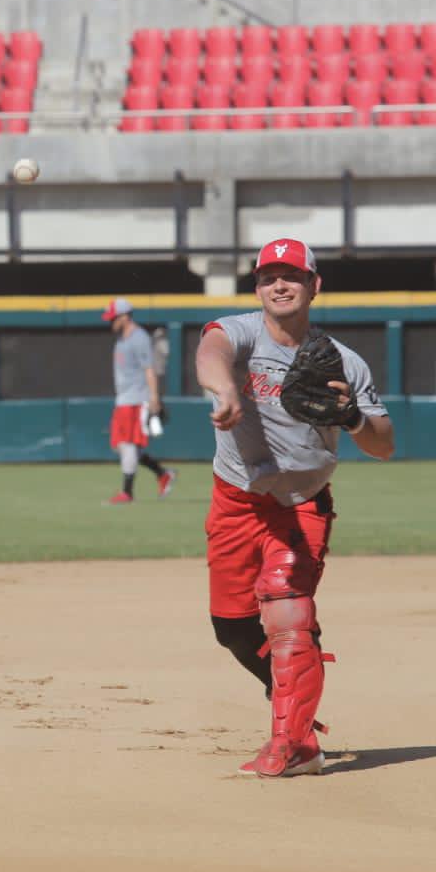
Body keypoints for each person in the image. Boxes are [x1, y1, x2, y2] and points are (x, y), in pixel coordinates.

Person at [193, 238, 395, 778]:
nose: (279, 285)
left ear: (314, 286)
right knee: (233, 628)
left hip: (302, 503)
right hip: (236, 500)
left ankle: (295, 742)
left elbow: (384, 444)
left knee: (287, 611)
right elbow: (210, 354)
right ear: (257, 288)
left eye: (292, 276)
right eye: (268, 277)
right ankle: (290, 687)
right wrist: (224, 393)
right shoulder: (236, 333)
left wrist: (353, 419)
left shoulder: (344, 363)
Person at [101, 297, 176, 505]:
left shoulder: (139, 337)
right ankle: (162, 473)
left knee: (127, 445)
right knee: (122, 446)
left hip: (135, 399)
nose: (111, 322)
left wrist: (153, 398)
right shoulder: (122, 338)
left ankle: (127, 492)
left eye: (114, 318)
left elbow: (149, 369)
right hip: (124, 399)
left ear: (125, 316)